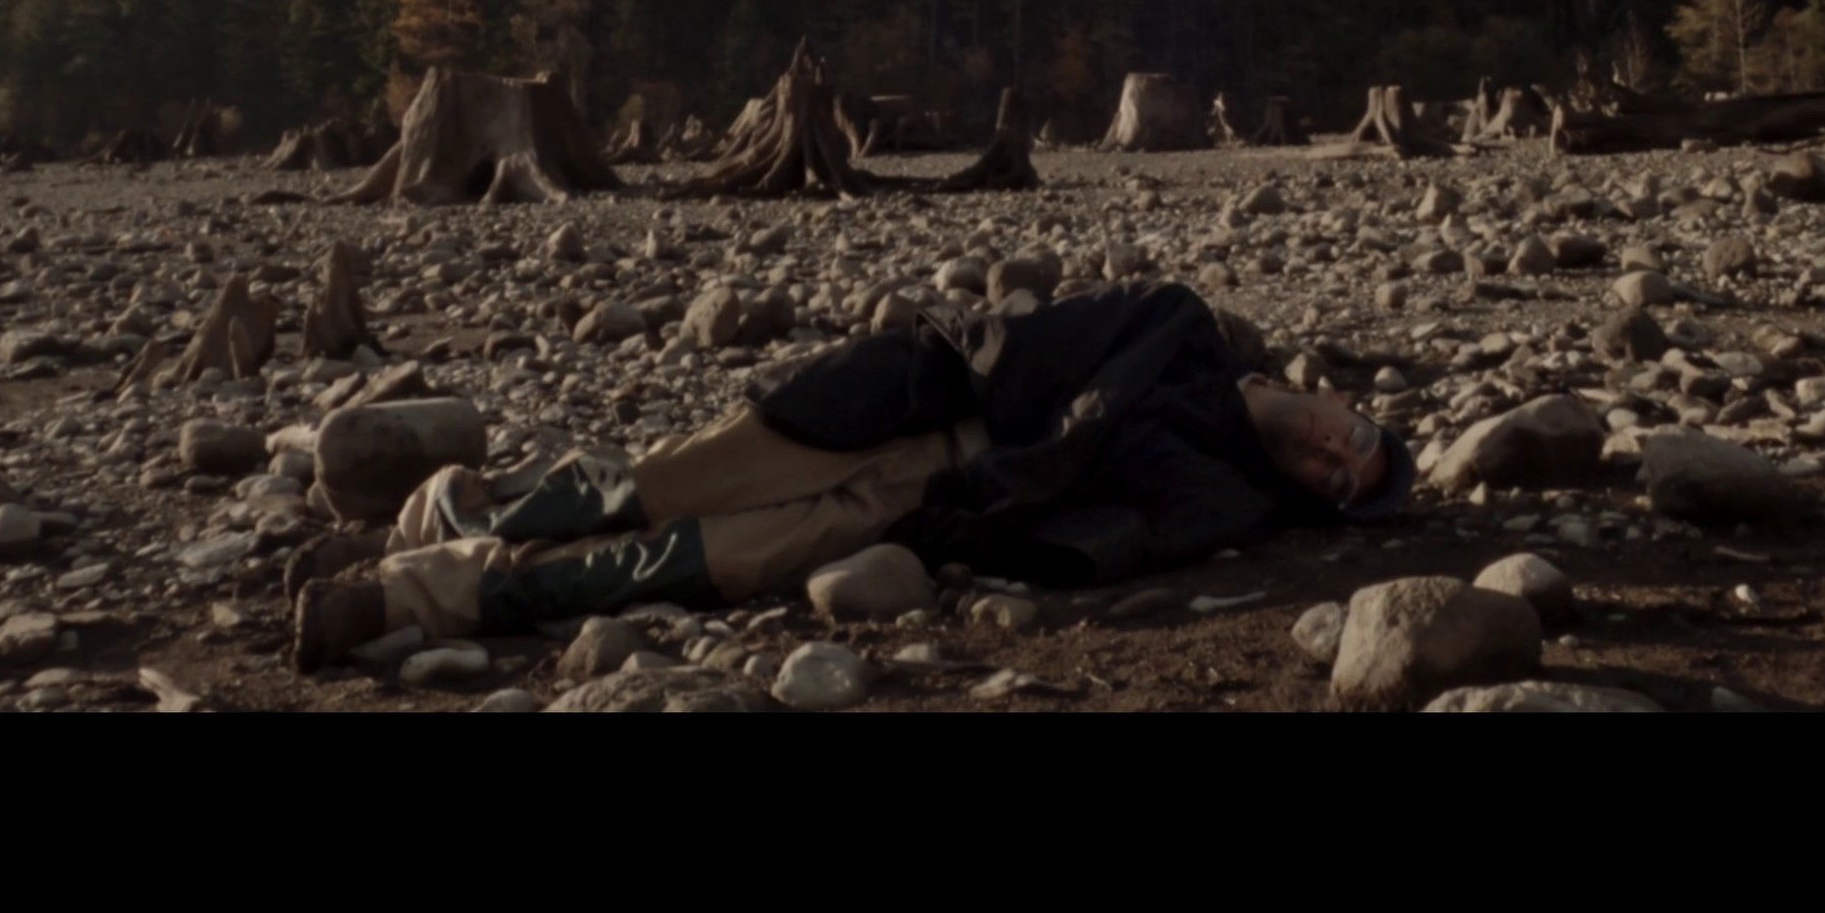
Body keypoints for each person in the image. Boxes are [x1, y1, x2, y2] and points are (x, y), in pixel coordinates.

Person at [291, 278, 1409, 668]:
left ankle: (410, 598)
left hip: (934, 500)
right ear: (1343, 406)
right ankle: (452, 527)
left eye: (1335, 483)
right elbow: (1037, 355)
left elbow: (1116, 520)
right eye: (1350, 440)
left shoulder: (1229, 495)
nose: (1327, 455)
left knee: (695, 563)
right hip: (899, 402)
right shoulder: (1179, 322)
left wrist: (989, 529)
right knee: (663, 482)